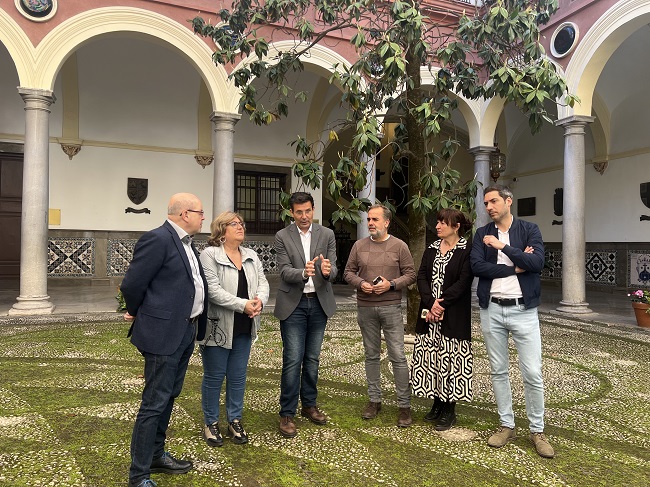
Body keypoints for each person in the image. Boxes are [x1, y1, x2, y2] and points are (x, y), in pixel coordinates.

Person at [120, 193, 208, 487]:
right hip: (162, 333)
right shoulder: (158, 239)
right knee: (154, 403)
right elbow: (133, 283)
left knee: (169, 395)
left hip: (185, 330)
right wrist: (136, 311)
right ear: (184, 214)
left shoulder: (186, 243)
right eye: (200, 212)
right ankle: (139, 475)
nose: (203, 217)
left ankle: (156, 455)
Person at [470, 185, 555, 458]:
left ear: (508, 201)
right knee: (498, 371)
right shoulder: (482, 234)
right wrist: (514, 265)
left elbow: (537, 263)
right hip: (491, 309)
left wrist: (503, 247)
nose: (489, 206)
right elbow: (477, 267)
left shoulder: (530, 229)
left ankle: (537, 430)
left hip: (523, 310)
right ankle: (507, 424)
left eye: (494, 201)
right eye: (486, 203)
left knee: (532, 372)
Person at [198, 211, 269, 446]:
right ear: (221, 229)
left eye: (242, 224)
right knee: (214, 377)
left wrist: (259, 301)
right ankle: (211, 422)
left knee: (238, 377)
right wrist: (244, 305)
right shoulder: (209, 255)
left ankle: (234, 420)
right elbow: (213, 291)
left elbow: (263, 283)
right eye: (234, 224)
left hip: (245, 324)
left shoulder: (250, 255)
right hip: (218, 325)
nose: (240, 227)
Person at [343, 204, 416, 427]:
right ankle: (374, 400)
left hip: (391, 307)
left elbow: (411, 274)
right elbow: (348, 272)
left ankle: (404, 406)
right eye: (369, 219)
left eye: (375, 219)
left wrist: (391, 285)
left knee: (398, 356)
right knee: (371, 355)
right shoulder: (359, 245)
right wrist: (361, 283)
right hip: (365, 307)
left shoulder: (399, 246)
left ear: (387, 222)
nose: (371, 223)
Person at [274, 192, 337, 438]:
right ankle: (287, 412)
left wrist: (328, 270)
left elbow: (333, 270)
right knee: (292, 358)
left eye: (307, 211)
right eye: (298, 212)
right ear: (292, 212)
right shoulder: (282, 236)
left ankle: (309, 404)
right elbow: (283, 270)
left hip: (319, 303)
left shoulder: (327, 234)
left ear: (313, 210)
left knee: (312, 358)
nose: (304, 216)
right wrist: (303, 272)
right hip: (294, 304)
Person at [411, 208, 474, 431]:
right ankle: (436, 403)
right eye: (437, 222)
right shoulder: (432, 248)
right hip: (430, 315)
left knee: (451, 362)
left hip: (453, 316)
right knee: (432, 360)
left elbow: (464, 282)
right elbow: (421, 277)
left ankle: (449, 409)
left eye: (442, 223)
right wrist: (431, 303)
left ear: (456, 227)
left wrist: (442, 303)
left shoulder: (467, 250)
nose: (437, 226)